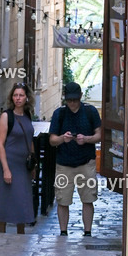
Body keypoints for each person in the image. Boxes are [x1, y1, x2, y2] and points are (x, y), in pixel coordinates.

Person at [48, 82, 102, 237]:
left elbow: (99, 135)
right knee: (62, 199)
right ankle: (63, 231)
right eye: (69, 100)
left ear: (80, 98)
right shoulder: (59, 114)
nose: (72, 103)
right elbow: (52, 140)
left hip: (86, 162)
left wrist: (86, 139)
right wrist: (62, 139)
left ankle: (87, 232)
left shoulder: (90, 111)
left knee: (88, 198)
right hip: (64, 163)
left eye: (75, 100)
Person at [0, 82, 36, 234]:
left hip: (23, 165)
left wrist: (33, 164)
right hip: (8, 162)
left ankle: (20, 234)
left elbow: (30, 139)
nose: (18, 98)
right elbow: (0, 144)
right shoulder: (6, 116)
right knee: (4, 199)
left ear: (27, 98)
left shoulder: (28, 115)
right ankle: (1, 233)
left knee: (21, 199)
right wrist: (6, 169)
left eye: (21, 95)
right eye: (15, 95)